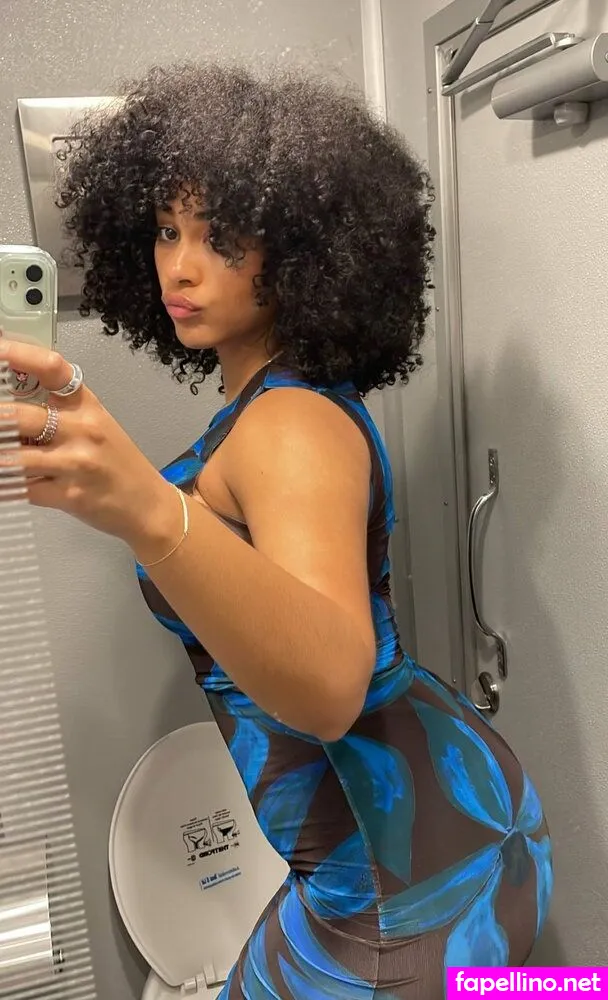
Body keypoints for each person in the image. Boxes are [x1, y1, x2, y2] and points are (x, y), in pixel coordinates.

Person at [0, 64, 552, 998]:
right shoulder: (286, 401)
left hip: (399, 883)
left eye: (221, 236)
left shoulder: (289, 422)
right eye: (166, 230)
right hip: (441, 816)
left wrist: (146, 507)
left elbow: (330, 689)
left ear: (301, 249)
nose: (180, 266)